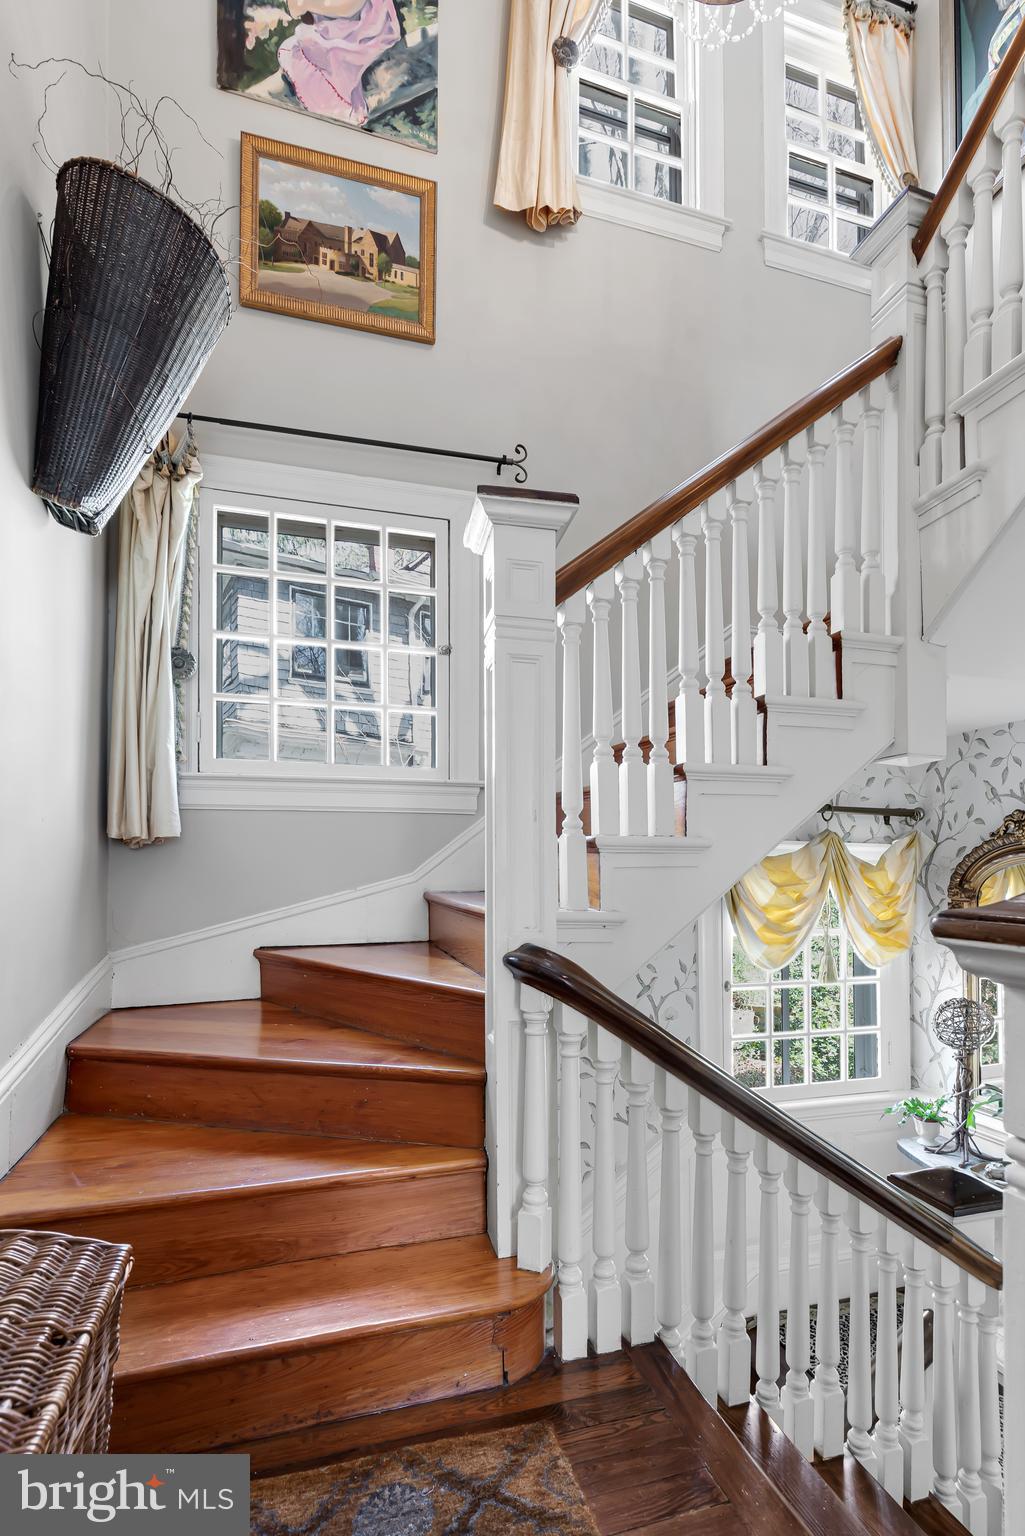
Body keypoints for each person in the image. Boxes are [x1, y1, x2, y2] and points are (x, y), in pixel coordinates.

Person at [278, 0, 401, 125]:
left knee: (331, 52)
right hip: (336, 24)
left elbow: (347, 8)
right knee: (308, 43)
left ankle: (338, 103)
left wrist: (307, 5)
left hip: (364, 29)